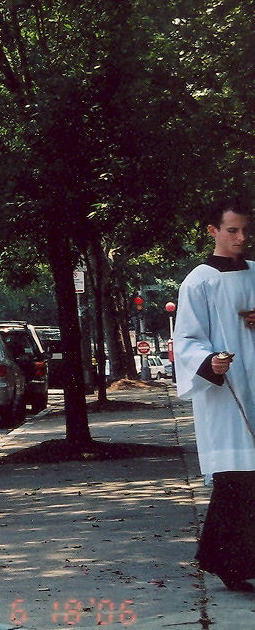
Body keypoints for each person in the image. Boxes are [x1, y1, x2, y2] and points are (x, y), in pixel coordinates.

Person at [175, 199, 255, 592]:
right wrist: (209, 362)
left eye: (245, 230)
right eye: (232, 230)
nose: (241, 238)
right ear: (213, 231)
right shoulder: (199, 281)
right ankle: (226, 562)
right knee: (237, 478)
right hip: (226, 394)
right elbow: (186, 338)